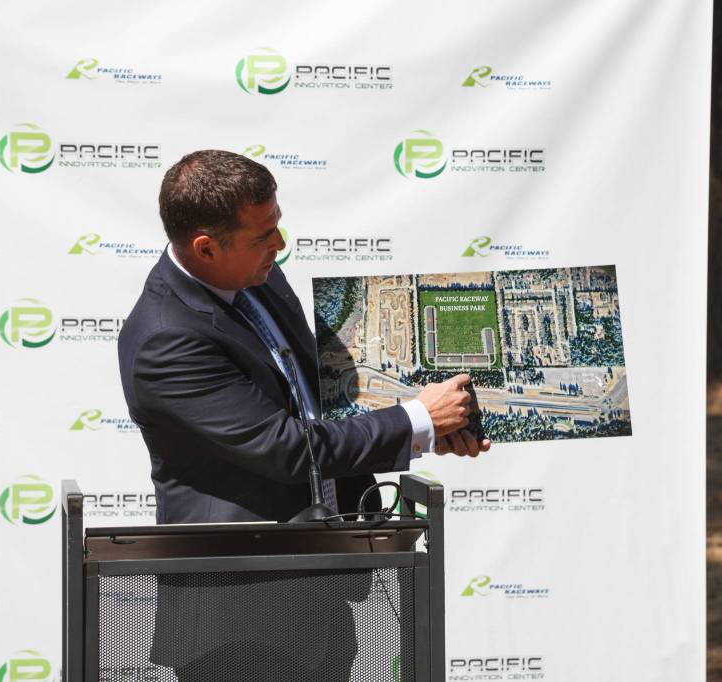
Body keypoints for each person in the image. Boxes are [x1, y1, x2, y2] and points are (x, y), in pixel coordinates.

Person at [117, 149, 488, 679]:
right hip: (237, 612)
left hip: (322, 584)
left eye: (278, 225)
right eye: (262, 236)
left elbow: (317, 402)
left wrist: (434, 426)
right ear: (205, 248)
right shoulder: (164, 339)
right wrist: (416, 419)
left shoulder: (258, 276)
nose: (280, 245)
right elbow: (287, 447)